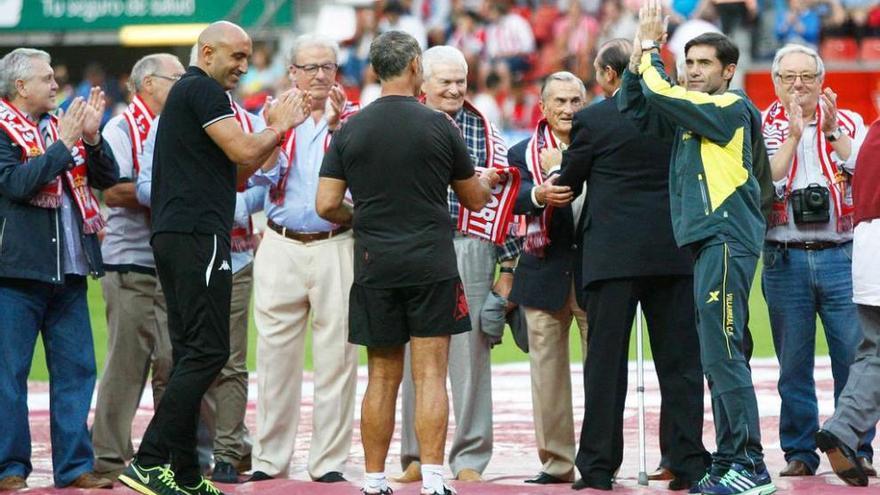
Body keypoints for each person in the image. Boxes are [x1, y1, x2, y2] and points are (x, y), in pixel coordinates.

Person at [118, 21, 309, 495]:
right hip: (199, 235)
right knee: (209, 351)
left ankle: (182, 475)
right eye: (237, 57)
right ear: (206, 52)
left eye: (248, 58)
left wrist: (274, 136)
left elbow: (241, 171)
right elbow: (245, 148)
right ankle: (148, 461)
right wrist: (278, 126)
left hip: (179, 234)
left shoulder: (189, 96)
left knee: (189, 353)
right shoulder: (203, 92)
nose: (244, 67)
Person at [316, 30, 499, 495]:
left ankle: (375, 480)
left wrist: (364, 216)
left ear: (375, 69)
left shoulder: (352, 127)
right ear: (416, 66)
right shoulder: (440, 126)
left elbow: (325, 204)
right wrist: (486, 179)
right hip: (430, 262)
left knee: (380, 375)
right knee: (431, 373)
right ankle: (435, 477)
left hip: (376, 262)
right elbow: (474, 200)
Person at [617, 2, 775, 493]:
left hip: (725, 239)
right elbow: (638, 105)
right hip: (711, 243)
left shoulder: (729, 108)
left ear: (730, 71)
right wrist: (637, 63)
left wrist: (649, 47)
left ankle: (750, 465)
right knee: (717, 356)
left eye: (704, 63)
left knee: (724, 354)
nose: (694, 71)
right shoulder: (691, 117)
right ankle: (731, 459)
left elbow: (660, 91)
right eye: (689, 63)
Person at [552, 39, 709, 491]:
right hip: (672, 252)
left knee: (605, 367)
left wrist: (555, 173)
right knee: (681, 365)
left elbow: (570, 184)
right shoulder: (679, 112)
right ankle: (687, 462)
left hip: (611, 257)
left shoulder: (593, 119)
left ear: (607, 75)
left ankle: (598, 468)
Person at [396, 44, 520, 485]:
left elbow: (507, 205)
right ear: (422, 82)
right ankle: (414, 454)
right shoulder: (404, 121)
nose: (453, 89)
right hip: (416, 243)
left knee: (470, 357)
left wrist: (507, 270)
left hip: (469, 244)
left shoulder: (488, 130)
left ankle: (470, 454)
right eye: (444, 81)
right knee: (415, 354)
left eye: (460, 81)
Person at [0, 48, 118, 490]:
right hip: (15, 273)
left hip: (68, 270)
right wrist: (63, 145)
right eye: (47, 78)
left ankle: (74, 466)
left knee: (76, 371)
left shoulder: (59, 127)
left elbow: (108, 177)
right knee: (7, 376)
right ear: (20, 87)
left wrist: (90, 139)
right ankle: (9, 469)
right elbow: (14, 185)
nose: (56, 84)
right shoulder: (3, 130)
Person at [246, 34, 360, 484]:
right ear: (291, 72)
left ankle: (328, 461)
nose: (318, 75)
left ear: (337, 73)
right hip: (280, 241)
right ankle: (269, 458)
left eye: (326, 67)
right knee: (274, 356)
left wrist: (336, 129)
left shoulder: (353, 121)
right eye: (309, 67)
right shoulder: (271, 116)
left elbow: (362, 182)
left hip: (336, 242)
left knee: (339, 356)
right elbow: (262, 177)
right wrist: (277, 129)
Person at [760, 43, 873, 478]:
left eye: (807, 76)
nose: (798, 86)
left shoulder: (849, 121)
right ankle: (800, 451)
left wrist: (829, 131)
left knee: (852, 353)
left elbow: (863, 169)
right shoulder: (761, 124)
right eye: (788, 77)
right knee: (793, 361)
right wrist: (792, 135)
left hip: (839, 253)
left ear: (822, 80)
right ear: (774, 82)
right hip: (783, 253)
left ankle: (855, 444)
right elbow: (766, 180)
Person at [91, 53, 184, 479]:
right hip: (130, 261)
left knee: (172, 363)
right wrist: (172, 192)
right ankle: (109, 458)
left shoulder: (173, 123)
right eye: (176, 78)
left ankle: (159, 457)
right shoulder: (121, 126)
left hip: (167, 262)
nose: (183, 84)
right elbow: (113, 191)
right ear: (147, 84)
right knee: (127, 365)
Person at [506, 70, 589, 486]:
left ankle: (597, 461)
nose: (568, 110)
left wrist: (568, 168)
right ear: (543, 107)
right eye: (559, 101)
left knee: (602, 373)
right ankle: (557, 463)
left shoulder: (600, 148)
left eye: (575, 101)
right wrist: (540, 193)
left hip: (596, 274)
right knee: (547, 376)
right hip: (543, 271)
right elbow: (509, 200)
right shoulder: (522, 152)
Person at [816, 118, 880, 488]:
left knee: (874, 351)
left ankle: (843, 429)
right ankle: (845, 428)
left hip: (866, 245)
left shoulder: (874, 131)